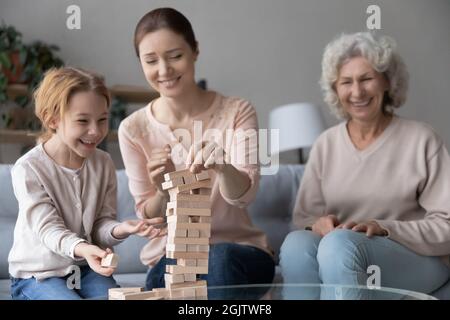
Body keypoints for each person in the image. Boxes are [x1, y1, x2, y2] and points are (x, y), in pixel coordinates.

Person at [280, 32, 450, 299]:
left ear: (387, 81)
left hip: (416, 260)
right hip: (340, 252)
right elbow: (302, 220)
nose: (357, 92)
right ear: (335, 89)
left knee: (337, 245)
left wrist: (385, 228)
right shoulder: (326, 144)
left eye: (367, 79)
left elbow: (447, 223)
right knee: (295, 244)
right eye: (346, 82)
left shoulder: (422, 139)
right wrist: (319, 225)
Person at [118, 7, 275, 291]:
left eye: (175, 56)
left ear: (195, 51)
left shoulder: (237, 111)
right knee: (187, 270)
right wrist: (162, 188)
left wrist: (223, 166)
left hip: (239, 251)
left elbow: (245, 196)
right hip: (170, 257)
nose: (164, 71)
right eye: (151, 61)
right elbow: (149, 218)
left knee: (218, 260)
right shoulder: (133, 129)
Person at [8, 67, 166, 300]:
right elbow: (48, 230)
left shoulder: (103, 163)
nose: (95, 131)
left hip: (86, 270)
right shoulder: (28, 168)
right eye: (83, 120)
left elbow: (100, 225)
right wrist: (83, 249)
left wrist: (121, 229)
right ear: (52, 119)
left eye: (102, 120)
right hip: (38, 275)